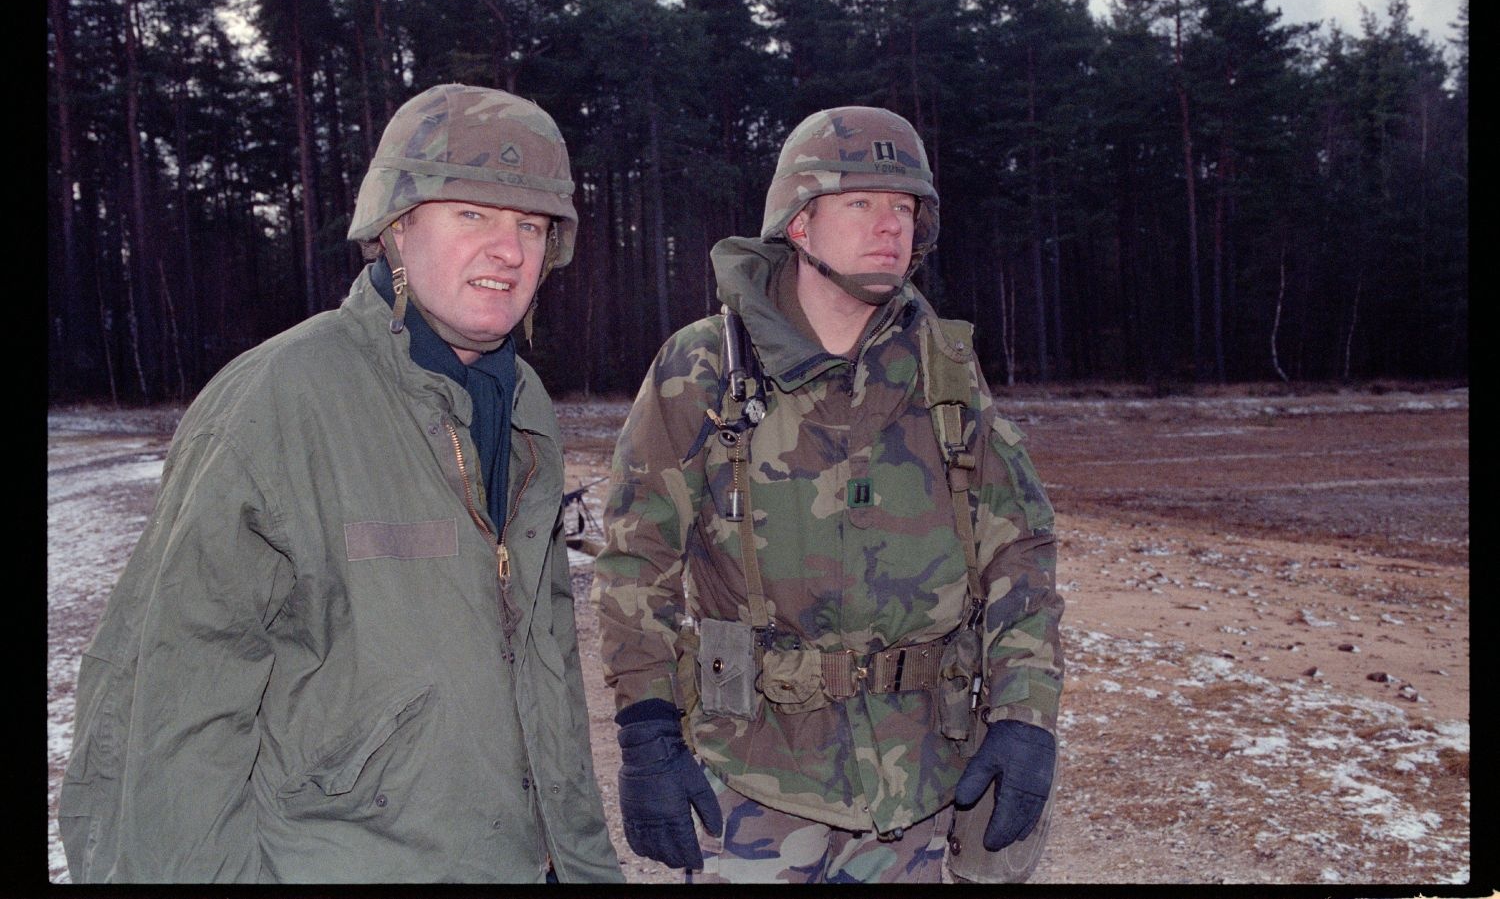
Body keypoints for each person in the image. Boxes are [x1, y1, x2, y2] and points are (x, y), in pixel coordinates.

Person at [58, 84, 623, 884]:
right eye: (472, 214)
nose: (509, 249)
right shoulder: (279, 400)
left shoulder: (523, 402)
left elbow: (546, 669)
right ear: (397, 228)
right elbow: (165, 709)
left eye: (531, 225)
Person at [592, 106, 1064, 884]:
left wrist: (1023, 716)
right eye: (862, 202)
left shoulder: (944, 370)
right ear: (800, 225)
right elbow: (633, 560)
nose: (890, 226)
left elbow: (1021, 544)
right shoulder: (705, 367)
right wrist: (647, 736)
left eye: (905, 208)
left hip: (920, 787)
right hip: (751, 780)